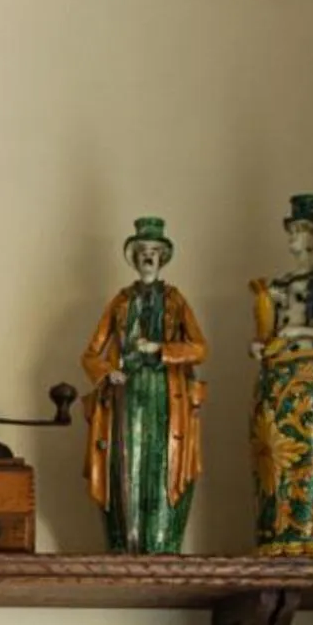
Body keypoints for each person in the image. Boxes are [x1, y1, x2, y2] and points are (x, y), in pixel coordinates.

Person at [81, 217, 209, 553]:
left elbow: (199, 348)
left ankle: (161, 539)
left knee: (161, 460)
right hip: (127, 392)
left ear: (163, 257)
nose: (148, 258)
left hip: (166, 393)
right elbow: (91, 353)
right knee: (126, 460)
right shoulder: (121, 302)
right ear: (134, 258)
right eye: (142, 252)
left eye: (154, 251)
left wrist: (162, 350)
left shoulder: (176, 301)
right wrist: (108, 372)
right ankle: (125, 540)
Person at [249, 193, 313, 550]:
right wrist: (262, 344)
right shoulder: (278, 285)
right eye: (291, 231)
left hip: (310, 371)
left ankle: (309, 533)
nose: (293, 238)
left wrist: (298, 332)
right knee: (271, 458)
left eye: (300, 231)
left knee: (310, 451)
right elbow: (268, 329)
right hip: (278, 374)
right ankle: (275, 533)